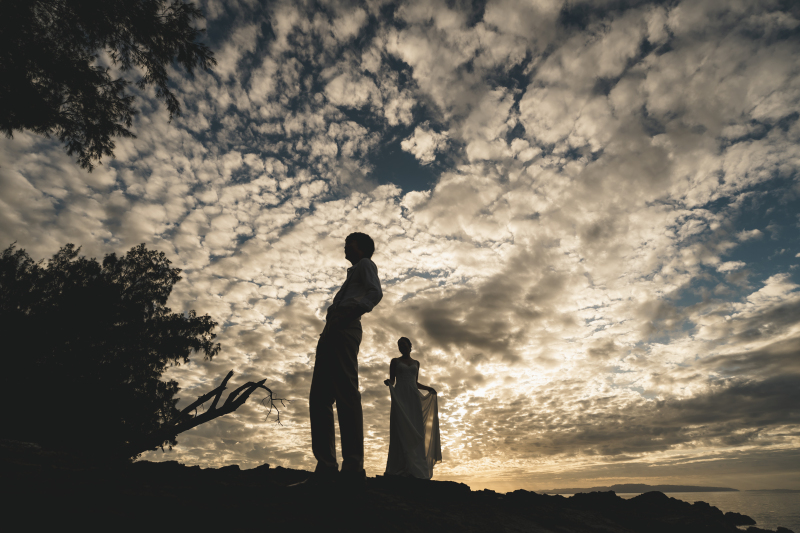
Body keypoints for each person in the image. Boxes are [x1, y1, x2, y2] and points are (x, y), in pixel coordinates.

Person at [308, 232, 383, 486]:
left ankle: (352, 467)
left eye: (348, 243)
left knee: (347, 395)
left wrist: (349, 312)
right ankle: (326, 466)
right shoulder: (352, 273)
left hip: (345, 326)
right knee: (319, 397)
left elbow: (375, 294)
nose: (344, 247)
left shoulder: (365, 265)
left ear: (360, 248)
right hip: (332, 330)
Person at [384, 337, 442, 479]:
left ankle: (414, 468)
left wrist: (428, 388)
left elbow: (415, 382)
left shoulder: (416, 363)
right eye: (399, 345)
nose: (401, 347)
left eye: (404, 344)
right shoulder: (395, 361)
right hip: (400, 396)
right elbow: (393, 379)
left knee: (416, 428)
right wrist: (389, 382)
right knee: (400, 429)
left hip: (413, 397)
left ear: (410, 346)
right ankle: (399, 466)